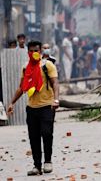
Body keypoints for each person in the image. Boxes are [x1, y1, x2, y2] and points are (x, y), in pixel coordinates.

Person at [7, 40, 59, 176]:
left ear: (40, 51)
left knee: (47, 133)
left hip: (47, 105)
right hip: (32, 108)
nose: (33, 53)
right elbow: (21, 87)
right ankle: (37, 166)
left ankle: (48, 161)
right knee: (34, 137)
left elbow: (55, 83)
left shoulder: (47, 65)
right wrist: (12, 102)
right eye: (31, 51)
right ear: (27, 52)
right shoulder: (26, 68)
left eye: (36, 50)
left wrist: (56, 99)